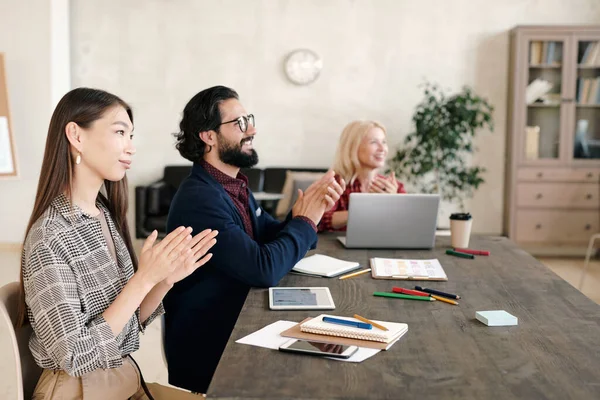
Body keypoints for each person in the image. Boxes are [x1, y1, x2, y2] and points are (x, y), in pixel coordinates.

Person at [19, 87, 218, 399]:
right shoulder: (49, 237)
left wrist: (163, 281)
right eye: (120, 132)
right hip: (79, 391)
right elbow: (74, 355)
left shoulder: (104, 216)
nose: (131, 147)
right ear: (76, 135)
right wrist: (143, 279)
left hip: (121, 382)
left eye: (130, 135)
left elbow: (127, 326)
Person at [165, 85, 345, 393]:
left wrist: (304, 214)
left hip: (240, 322)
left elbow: (267, 235)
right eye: (240, 123)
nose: (252, 130)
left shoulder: (233, 185)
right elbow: (262, 268)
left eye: (249, 119)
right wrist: (304, 221)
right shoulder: (199, 199)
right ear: (208, 136)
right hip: (212, 344)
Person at [318, 120, 406, 232]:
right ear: (352, 147)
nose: (382, 149)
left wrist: (394, 202)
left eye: (384, 142)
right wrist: (366, 208)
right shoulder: (335, 184)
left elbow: (406, 227)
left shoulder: (395, 187)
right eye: (374, 142)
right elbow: (318, 221)